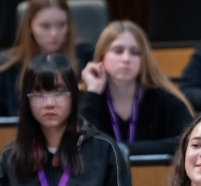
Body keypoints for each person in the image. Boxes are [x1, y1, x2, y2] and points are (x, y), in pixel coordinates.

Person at [0, 53, 134, 186]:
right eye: (39, 94)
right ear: (26, 101)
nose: (49, 103)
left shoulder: (104, 150)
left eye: (59, 92)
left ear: (74, 96)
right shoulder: (10, 157)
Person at [0, 0, 93, 118]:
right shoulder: (7, 66)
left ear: (69, 25)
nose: (54, 33)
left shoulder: (86, 57)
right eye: (45, 26)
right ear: (30, 26)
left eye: (61, 25)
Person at [80, 20, 194, 156]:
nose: (126, 59)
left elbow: (188, 141)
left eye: (135, 52)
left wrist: (119, 149)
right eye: (118, 51)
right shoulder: (87, 99)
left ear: (144, 59)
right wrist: (93, 91)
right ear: (101, 57)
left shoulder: (164, 98)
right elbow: (78, 142)